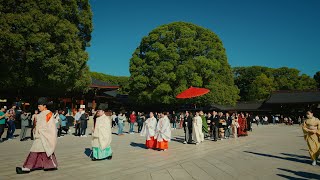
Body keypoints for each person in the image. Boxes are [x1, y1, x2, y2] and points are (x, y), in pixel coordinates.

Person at [16, 97, 58, 174]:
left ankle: (27, 167)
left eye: (39, 106)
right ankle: (50, 166)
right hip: (39, 135)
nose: (38, 107)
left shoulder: (48, 114)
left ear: (45, 106)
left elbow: (51, 126)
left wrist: (41, 131)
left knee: (35, 151)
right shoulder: (40, 114)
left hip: (43, 135)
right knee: (44, 151)